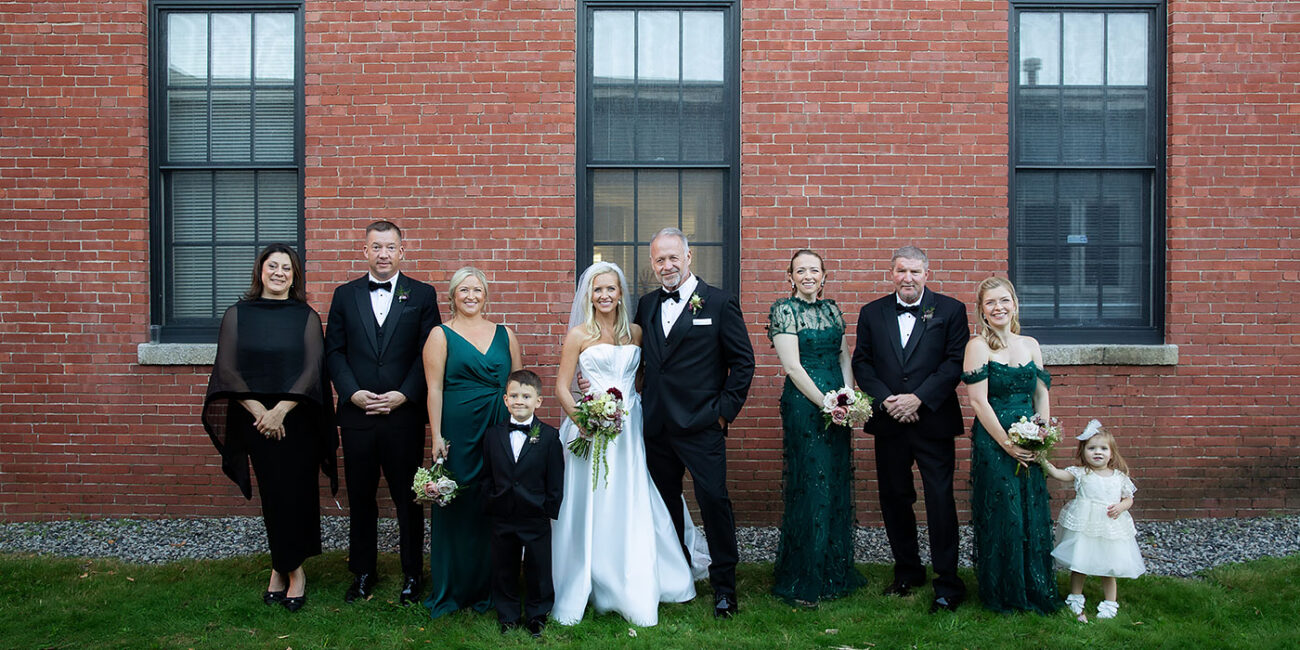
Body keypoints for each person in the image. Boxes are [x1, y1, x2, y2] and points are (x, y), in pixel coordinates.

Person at [552, 262, 702, 627]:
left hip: (629, 426)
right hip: (590, 429)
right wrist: (583, 419)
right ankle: (590, 576)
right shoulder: (578, 335)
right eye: (598, 290)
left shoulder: (635, 332)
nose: (604, 296)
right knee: (593, 500)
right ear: (589, 295)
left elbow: (643, 376)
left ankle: (637, 577)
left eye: (611, 289)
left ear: (621, 294)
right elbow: (560, 386)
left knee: (630, 496)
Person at [201, 243, 337, 612]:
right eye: (273, 266)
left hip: (298, 419)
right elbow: (227, 368)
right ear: (260, 270)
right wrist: (261, 410)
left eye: (287, 269)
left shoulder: (305, 316)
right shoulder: (237, 314)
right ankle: (284, 568)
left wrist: (281, 410)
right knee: (273, 495)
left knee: (298, 494)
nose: (279, 273)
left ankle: (293, 571)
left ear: (294, 276)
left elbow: (313, 369)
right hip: (256, 421)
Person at [635, 228, 755, 619]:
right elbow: (639, 359)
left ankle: (724, 587)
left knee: (714, 502)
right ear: (652, 265)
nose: (666, 266)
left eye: (673, 258)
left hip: (702, 425)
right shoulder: (647, 305)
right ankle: (677, 573)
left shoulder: (720, 303)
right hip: (656, 427)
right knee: (665, 505)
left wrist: (722, 413)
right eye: (659, 260)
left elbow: (743, 363)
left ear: (690, 257)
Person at [325, 220, 441, 605]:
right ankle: (362, 571)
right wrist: (352, 392)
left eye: (390, 247)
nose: (383, 254)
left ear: (402, 251)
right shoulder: (344, 295)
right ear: (365, 251)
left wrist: (404, 395)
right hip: (357, 417)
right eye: (376, 247)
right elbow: (334, 352)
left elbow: (430, 352)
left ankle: (412, 574)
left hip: (402, 417)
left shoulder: (422, 295)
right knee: (361, 497)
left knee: (408, 497)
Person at [851, 245, 968, 613]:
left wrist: (918, 398)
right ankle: (907, 572)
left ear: (927, 273)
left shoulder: (951, 310)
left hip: (933, 420)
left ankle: (947, 582)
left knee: (939, 500)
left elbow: (953, 364)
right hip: (889, 423)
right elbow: (862, 363)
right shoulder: (872, 312)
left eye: (915, 272)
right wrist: (887, 400)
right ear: (892, 272)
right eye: (902, 271)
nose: (908, 278)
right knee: (895, 498)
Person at [767, 250, 867, 606]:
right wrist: (826, 403)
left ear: (824, 275)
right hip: (805, 405)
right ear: (790, 276)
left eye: (814, 270)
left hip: (837, 403)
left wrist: (849, 397)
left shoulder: (831, 310)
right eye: (800, 270)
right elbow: (792, 367)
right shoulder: (784, 310)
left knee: (836, 479)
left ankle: (833, 569)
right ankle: (805, 572)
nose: (808, 276)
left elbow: (843, 356)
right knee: (812, 482)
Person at [422, 266, 522, 618]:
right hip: (458, 428)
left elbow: (517, 386)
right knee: (458, 500)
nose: (470, 296)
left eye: (477, 290)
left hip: (498, 425)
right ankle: (453, 587)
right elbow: (433, 389)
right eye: (463, 290)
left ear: (486, 295)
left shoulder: (505, 334)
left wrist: (518, 431)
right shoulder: (440, 335)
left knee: (494, 500)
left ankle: (492, 586)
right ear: (452, 296)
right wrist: (436, 435)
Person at [961, 276, 1062, 614]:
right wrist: (1006, 444)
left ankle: (1034, 585)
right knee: (1004, 512)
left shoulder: (1031, 344)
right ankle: (1004, 591)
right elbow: (978, 402)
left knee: (1031, 512)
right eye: (990, 303)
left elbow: (1040, 394)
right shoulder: (977, 346)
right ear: (982, 311)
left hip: (1030, 440)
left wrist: (1042, 433)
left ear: (1014, 305)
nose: (998, 307)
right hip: (995, 441)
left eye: (1004, 301)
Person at [481, 370, 564, 637]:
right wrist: (491, 500)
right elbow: (487, 473)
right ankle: (508, 615)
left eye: (526, 396)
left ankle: (537, 614)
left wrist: (548, 509)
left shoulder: (549, 437)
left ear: (538, 401)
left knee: (538, 566)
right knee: (504, 565)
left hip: (535, 514)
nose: (520, 401)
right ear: (505, 400)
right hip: (503, 513)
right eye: (514, 396)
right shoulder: (493, 435)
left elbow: (555, 479)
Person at [1040, 420, 1145, 621]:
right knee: (1080, 561)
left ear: (1112, 453)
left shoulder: (1119, 477)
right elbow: (1058, 474)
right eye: (1092, 448)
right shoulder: (1081, 473)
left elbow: (1129, 498)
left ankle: (1110, 601)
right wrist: (1043, 460)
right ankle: (1076, 597)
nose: (1098, 452)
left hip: (1109, 526)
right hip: (1084, 525)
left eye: (1103, 448)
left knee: (1109, 565)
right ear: (1083, 452)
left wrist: (1122, 506)